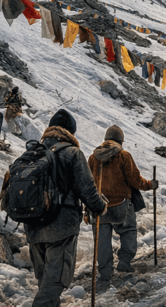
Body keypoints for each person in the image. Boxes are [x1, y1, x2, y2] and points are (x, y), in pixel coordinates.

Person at [23, 110, 105, 307]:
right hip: (60, 227)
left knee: (45, 281)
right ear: (71, 132)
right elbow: (87, 188)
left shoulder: (33, 152)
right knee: (54, 282)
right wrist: (99, 206)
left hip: (33, 225)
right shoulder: (72, 153)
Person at [88, 125, 158, 291]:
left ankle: (105, 274)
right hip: (121, 204)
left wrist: (88, 206)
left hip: (99, 206)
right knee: (128, 232)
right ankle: (125, 262)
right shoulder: (124, 155)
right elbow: (135, 180)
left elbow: (88, 183)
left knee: (102, 241)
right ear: (120, 141)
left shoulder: (93, 158)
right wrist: (150, 185)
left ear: (105, 140)